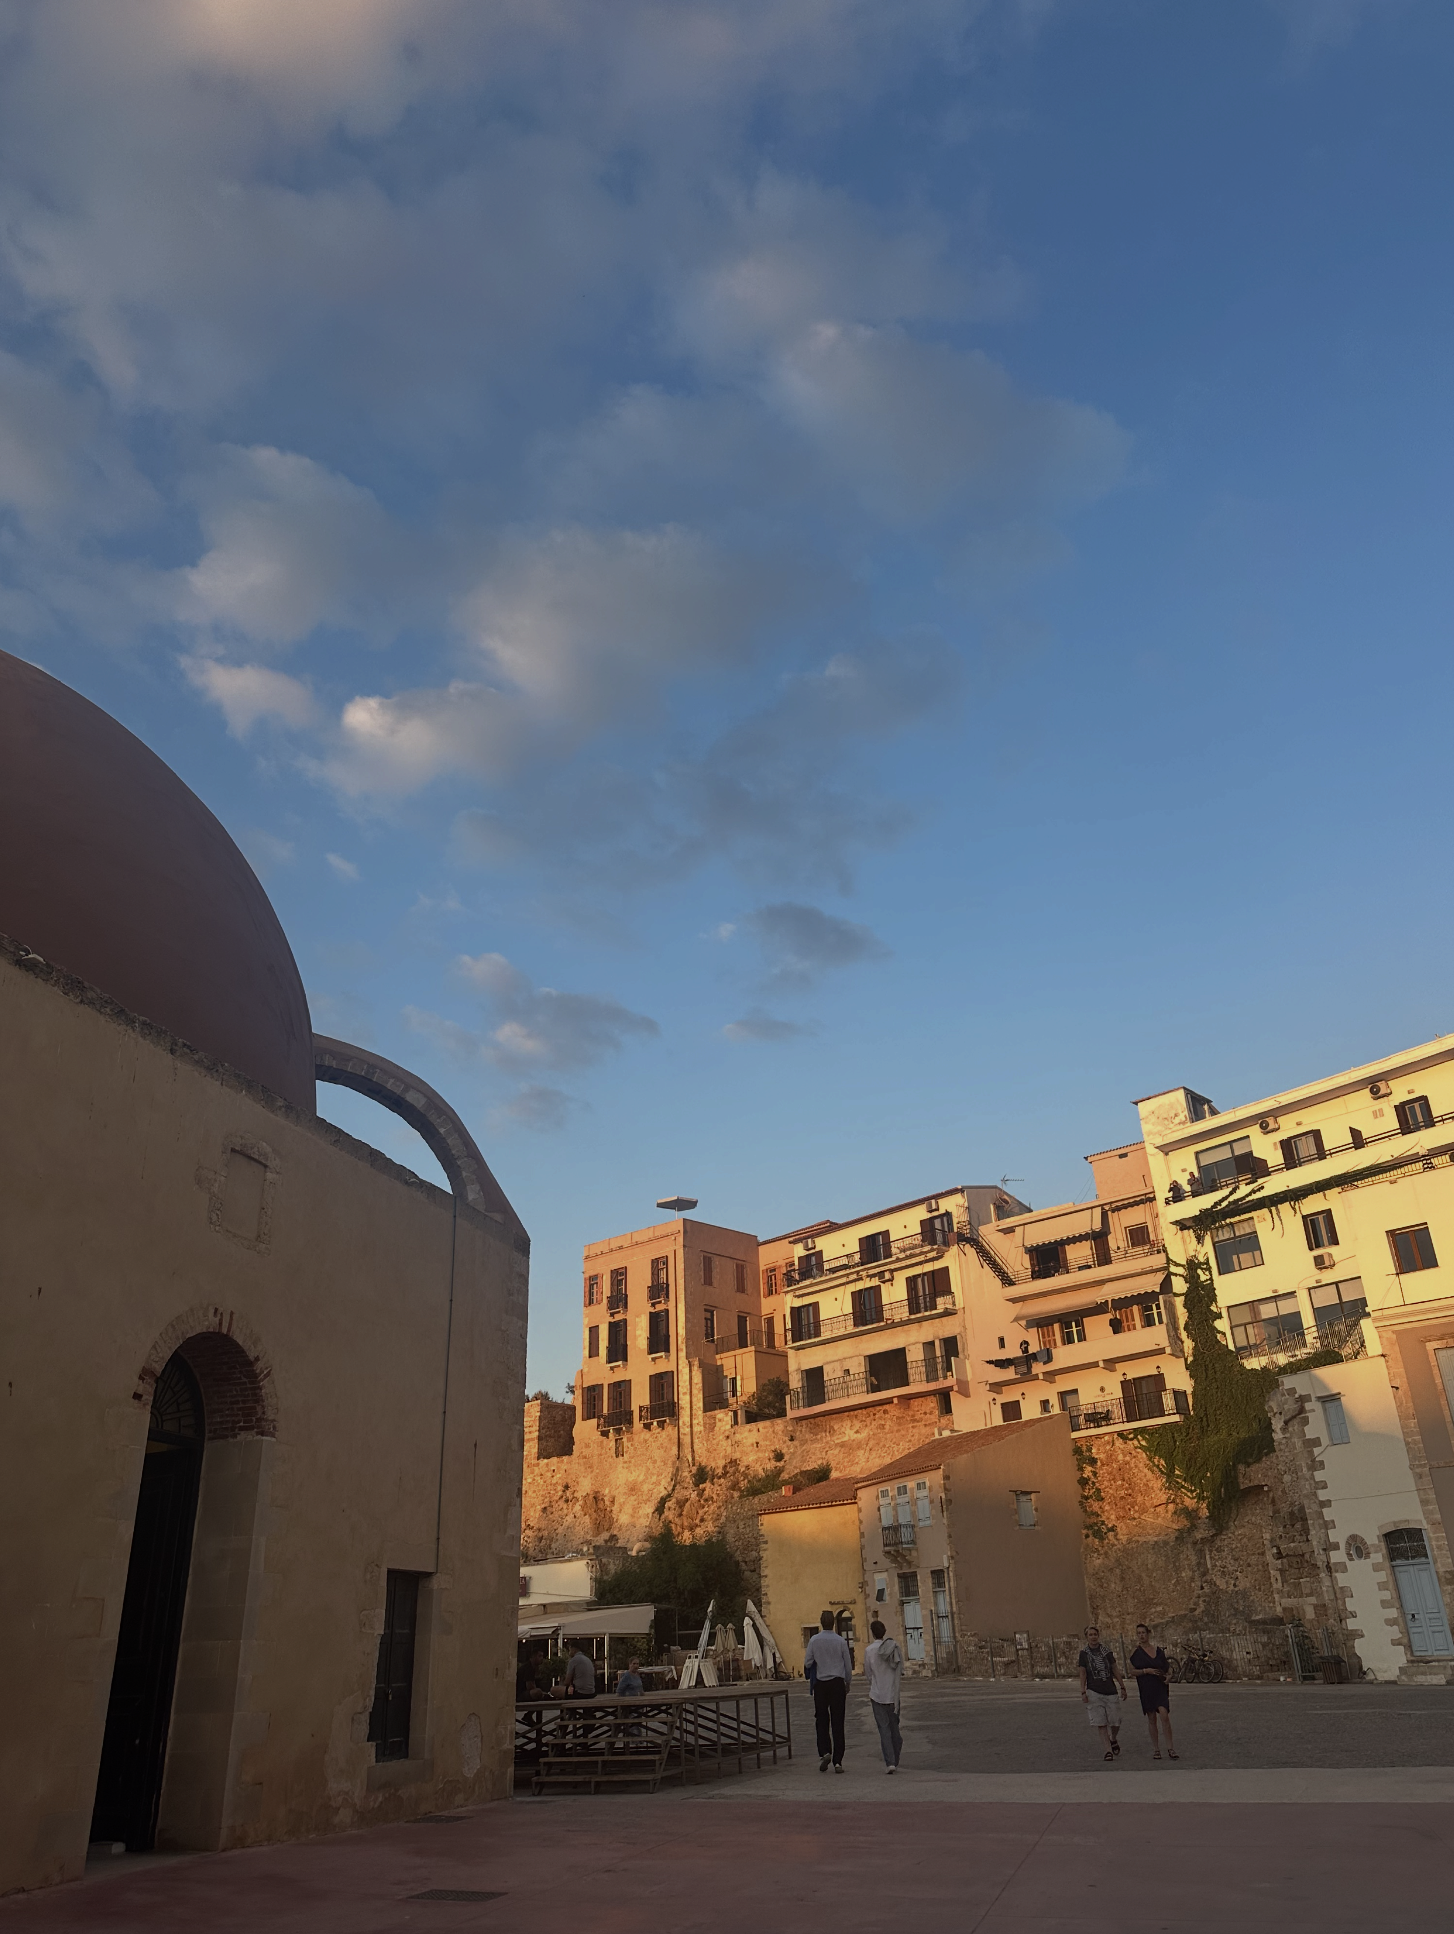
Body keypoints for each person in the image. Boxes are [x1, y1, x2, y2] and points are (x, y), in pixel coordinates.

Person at [804, 1610, 854, 1773]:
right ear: (833, 1623)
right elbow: (848, 1664)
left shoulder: (814, 1640)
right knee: (838, 1721)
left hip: (821, 1683)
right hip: (837, 1683)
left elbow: (808, 1662)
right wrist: (847, 1682)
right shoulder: (840, 1641)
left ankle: (825, 1751)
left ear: (821, 1622)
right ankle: (838, 1760)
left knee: (821, 1719)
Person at [1077, 1625, 1126, 1762]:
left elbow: (1114, 1669)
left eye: (1095, 1634)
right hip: (1094, 1691)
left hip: (1110, 1690)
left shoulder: (1106, 1652)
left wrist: (1122, 1686)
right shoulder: (1084, 1654)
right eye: (1090, 1635)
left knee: (1115, 1721)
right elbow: (1083, 1672)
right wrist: (1083, 1691)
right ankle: (1107, 1750)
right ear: (1086, 1637)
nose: (1093, 1637)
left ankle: (1113, 1738)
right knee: (1101, 1722)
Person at [1129, 1623, 1178, 1760]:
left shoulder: (1158, 1650)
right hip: (1146, 1687)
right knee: (1151, 1718)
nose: (1141, 1635)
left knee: (1164, 1715)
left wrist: (1169, 1676)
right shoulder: (1136, 1653)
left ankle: (1170, 1747)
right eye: (1138, 1633)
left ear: (1148, 1633)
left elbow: (1168, 1668)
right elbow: (1131, 1671)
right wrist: (1146, 1671)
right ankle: (1156, 1749)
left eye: (1143, 1632)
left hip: (1160, 1686)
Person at [863, 1619, 904, 1774]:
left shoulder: (869, 1650)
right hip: (893, 1693)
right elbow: (900, 1669)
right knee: (894, 1727)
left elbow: (868, 1672)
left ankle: (890, 1761)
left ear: (873, 1633)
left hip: (877, 1693)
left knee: (884, 1729)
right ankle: (896, 1756)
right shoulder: (894, 1647)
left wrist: (872, 1683)